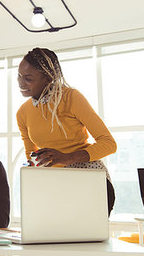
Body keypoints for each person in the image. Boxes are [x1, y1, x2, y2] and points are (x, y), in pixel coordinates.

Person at [16, 48, 117, 215]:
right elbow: (31, 154)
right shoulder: (23, 113)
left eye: (28, 78)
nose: (20, 83)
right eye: (19, 76)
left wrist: (67, 158)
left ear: (47, 78)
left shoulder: (71, 97)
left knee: (87, 237)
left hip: (89, 179)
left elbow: (109, 144)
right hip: (56, 183)